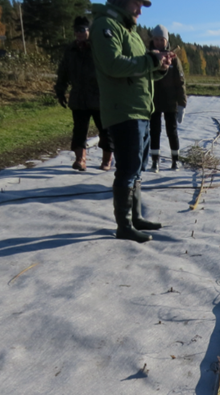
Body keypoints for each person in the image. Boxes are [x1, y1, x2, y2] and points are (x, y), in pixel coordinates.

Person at [90, 0, 173, 243]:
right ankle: (123, 226)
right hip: (123, 110)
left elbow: (141, 68)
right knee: (127, 169)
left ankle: (135, 218)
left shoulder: (131, 33)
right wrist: (151, 61)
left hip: (140, 110)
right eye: (136, 4)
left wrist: (160, 66)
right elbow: (113, 64)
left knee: (137, 168)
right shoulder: (105, 26)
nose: (140, 10)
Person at [55, 15, 113, 172]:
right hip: (79, 97)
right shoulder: (70, 50)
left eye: (82, 30)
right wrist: (60, 90)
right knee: (79, 131)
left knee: (105, 131)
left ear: (89, 31)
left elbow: (110, 70)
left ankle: (107, 160)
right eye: (76, 30)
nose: (79, 33)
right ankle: (80, 160)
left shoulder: (98, 48)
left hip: (99, 97)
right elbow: (63, 72)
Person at [147, 25, 187, 172]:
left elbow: (180, 81)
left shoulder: (173, 59)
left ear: (166, 40)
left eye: (161, 39)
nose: (158, 42)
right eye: (156, 39)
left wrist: (182, 103)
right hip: (153, 101)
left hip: (171, 102)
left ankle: (175, 160)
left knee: (172, 131)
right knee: (154, 131)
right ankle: (155, 161)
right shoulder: (149, 57)